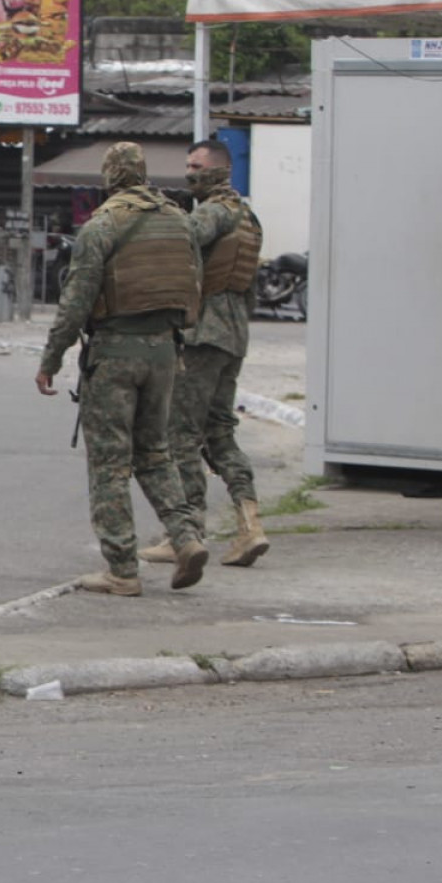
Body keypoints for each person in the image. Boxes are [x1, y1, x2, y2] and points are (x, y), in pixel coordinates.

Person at [35, 142, 208, 596]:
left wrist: (51, 360)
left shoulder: (104, 225)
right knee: (155, 453)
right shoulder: (179, 220)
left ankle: (122, 570)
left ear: (110, 176)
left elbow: (75, 302)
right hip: (166, 351)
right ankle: (187, 537)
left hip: (114, 353)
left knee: (110, 463)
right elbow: (194, 284)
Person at [141, 139, 269, 569]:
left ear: (217, 171)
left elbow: (181, 243)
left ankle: (186, 532)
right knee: (219, 432)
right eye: (188, 165)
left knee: (181, 434)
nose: (189, 172)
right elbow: (248, 285)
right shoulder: (249, 217)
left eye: (196, 166)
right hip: (234, 333)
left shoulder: (212, 212)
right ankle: (249, 523)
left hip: (202, 337)